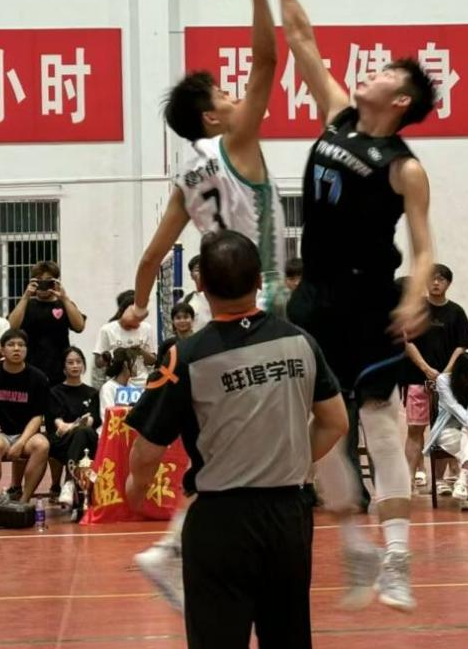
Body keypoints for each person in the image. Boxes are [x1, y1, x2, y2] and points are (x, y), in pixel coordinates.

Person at [257, 0, 436, 613]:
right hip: (314, 296)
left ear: (401, 98)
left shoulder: (404, 167)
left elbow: (423, 248)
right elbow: (301, 39)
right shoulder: (337, 116)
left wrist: (414, 297)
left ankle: (398, 560)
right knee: (318, 422)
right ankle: (356, 542)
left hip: (368, 300)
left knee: (381, 424)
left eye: (387, 71)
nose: (373, 71)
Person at [125, 230, 347, 649]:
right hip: (289, 517)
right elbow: (335, 422)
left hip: (220, 520)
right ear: (260, 281)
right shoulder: (301, 343)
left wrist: (136, 491)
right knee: (287, 636)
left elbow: (147, 451)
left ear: (201, 286)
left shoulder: (184, 357)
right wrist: (292, 459)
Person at [121, 0, 285, 344]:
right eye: (225, 95)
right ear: (211, 117)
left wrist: (138, 308)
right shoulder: (238, 143)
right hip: (265, 300)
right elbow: (266, 61)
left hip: (220, 313)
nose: (234, 96)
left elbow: (150, 258)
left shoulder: (187, 177)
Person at [405, 265, 468, 491]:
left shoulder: (457, 312)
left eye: (441, 279)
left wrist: (446, 371)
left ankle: (443, 480)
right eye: (432, 279)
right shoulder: (416, 309)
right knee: (415, 430)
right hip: (418, 380)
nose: (436, 283)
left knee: (448, 429)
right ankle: (409, 480)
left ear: (448, 283)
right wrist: (425, 368)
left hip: (449, 383)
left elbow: (462, 345)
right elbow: (407, 342)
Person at [0, 329, 50, 506]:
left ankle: (24, 501)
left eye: (21, 345)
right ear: (2, 350)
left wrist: (20, 442)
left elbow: (37, 416)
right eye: (11, 345)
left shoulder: (38, 378)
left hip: (25, 434)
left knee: (42, 445)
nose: (16, 349)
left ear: (26, 349)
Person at [420, 352, 468, 512]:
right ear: (459, 373)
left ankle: (463, 481)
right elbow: (453, 406)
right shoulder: (443, 380)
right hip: (446, 431)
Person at [6, 260, 86, 387]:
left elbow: (79, 326)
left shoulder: (64, 304)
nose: (43, 285)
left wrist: (64, 298)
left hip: (59, 370)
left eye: (48, 281)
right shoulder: (26, 305)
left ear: (55, 282)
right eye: (39, 281)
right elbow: (11, 327)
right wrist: (26, 295)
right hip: (30, 368)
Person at [46, 346, 99, 513]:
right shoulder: (55, 392)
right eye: (70, 363)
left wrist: (75, 425)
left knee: (84, 432)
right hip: (61, 441)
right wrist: (77, 424)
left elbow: (91, 420)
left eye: (78, 362)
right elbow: (60, 425)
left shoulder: (92, 393)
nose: (75, 366)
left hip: (86, 439)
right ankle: (71, 483)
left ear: (83, 365)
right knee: (81, 432)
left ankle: (70, 483)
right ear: (63, 367)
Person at [97, 291, 158, 383]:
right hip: (115, 382)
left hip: (141, 382)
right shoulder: (107, 329)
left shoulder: (147, 328)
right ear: (122, 313)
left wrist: (140, 351)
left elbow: (153, 361)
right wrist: (107, 356)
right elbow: (98, 363)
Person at [180, 257, 212, 332]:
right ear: (191, 275)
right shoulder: (186, 301)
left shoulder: (221, 299)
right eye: (198, 270)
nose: (202, 273)